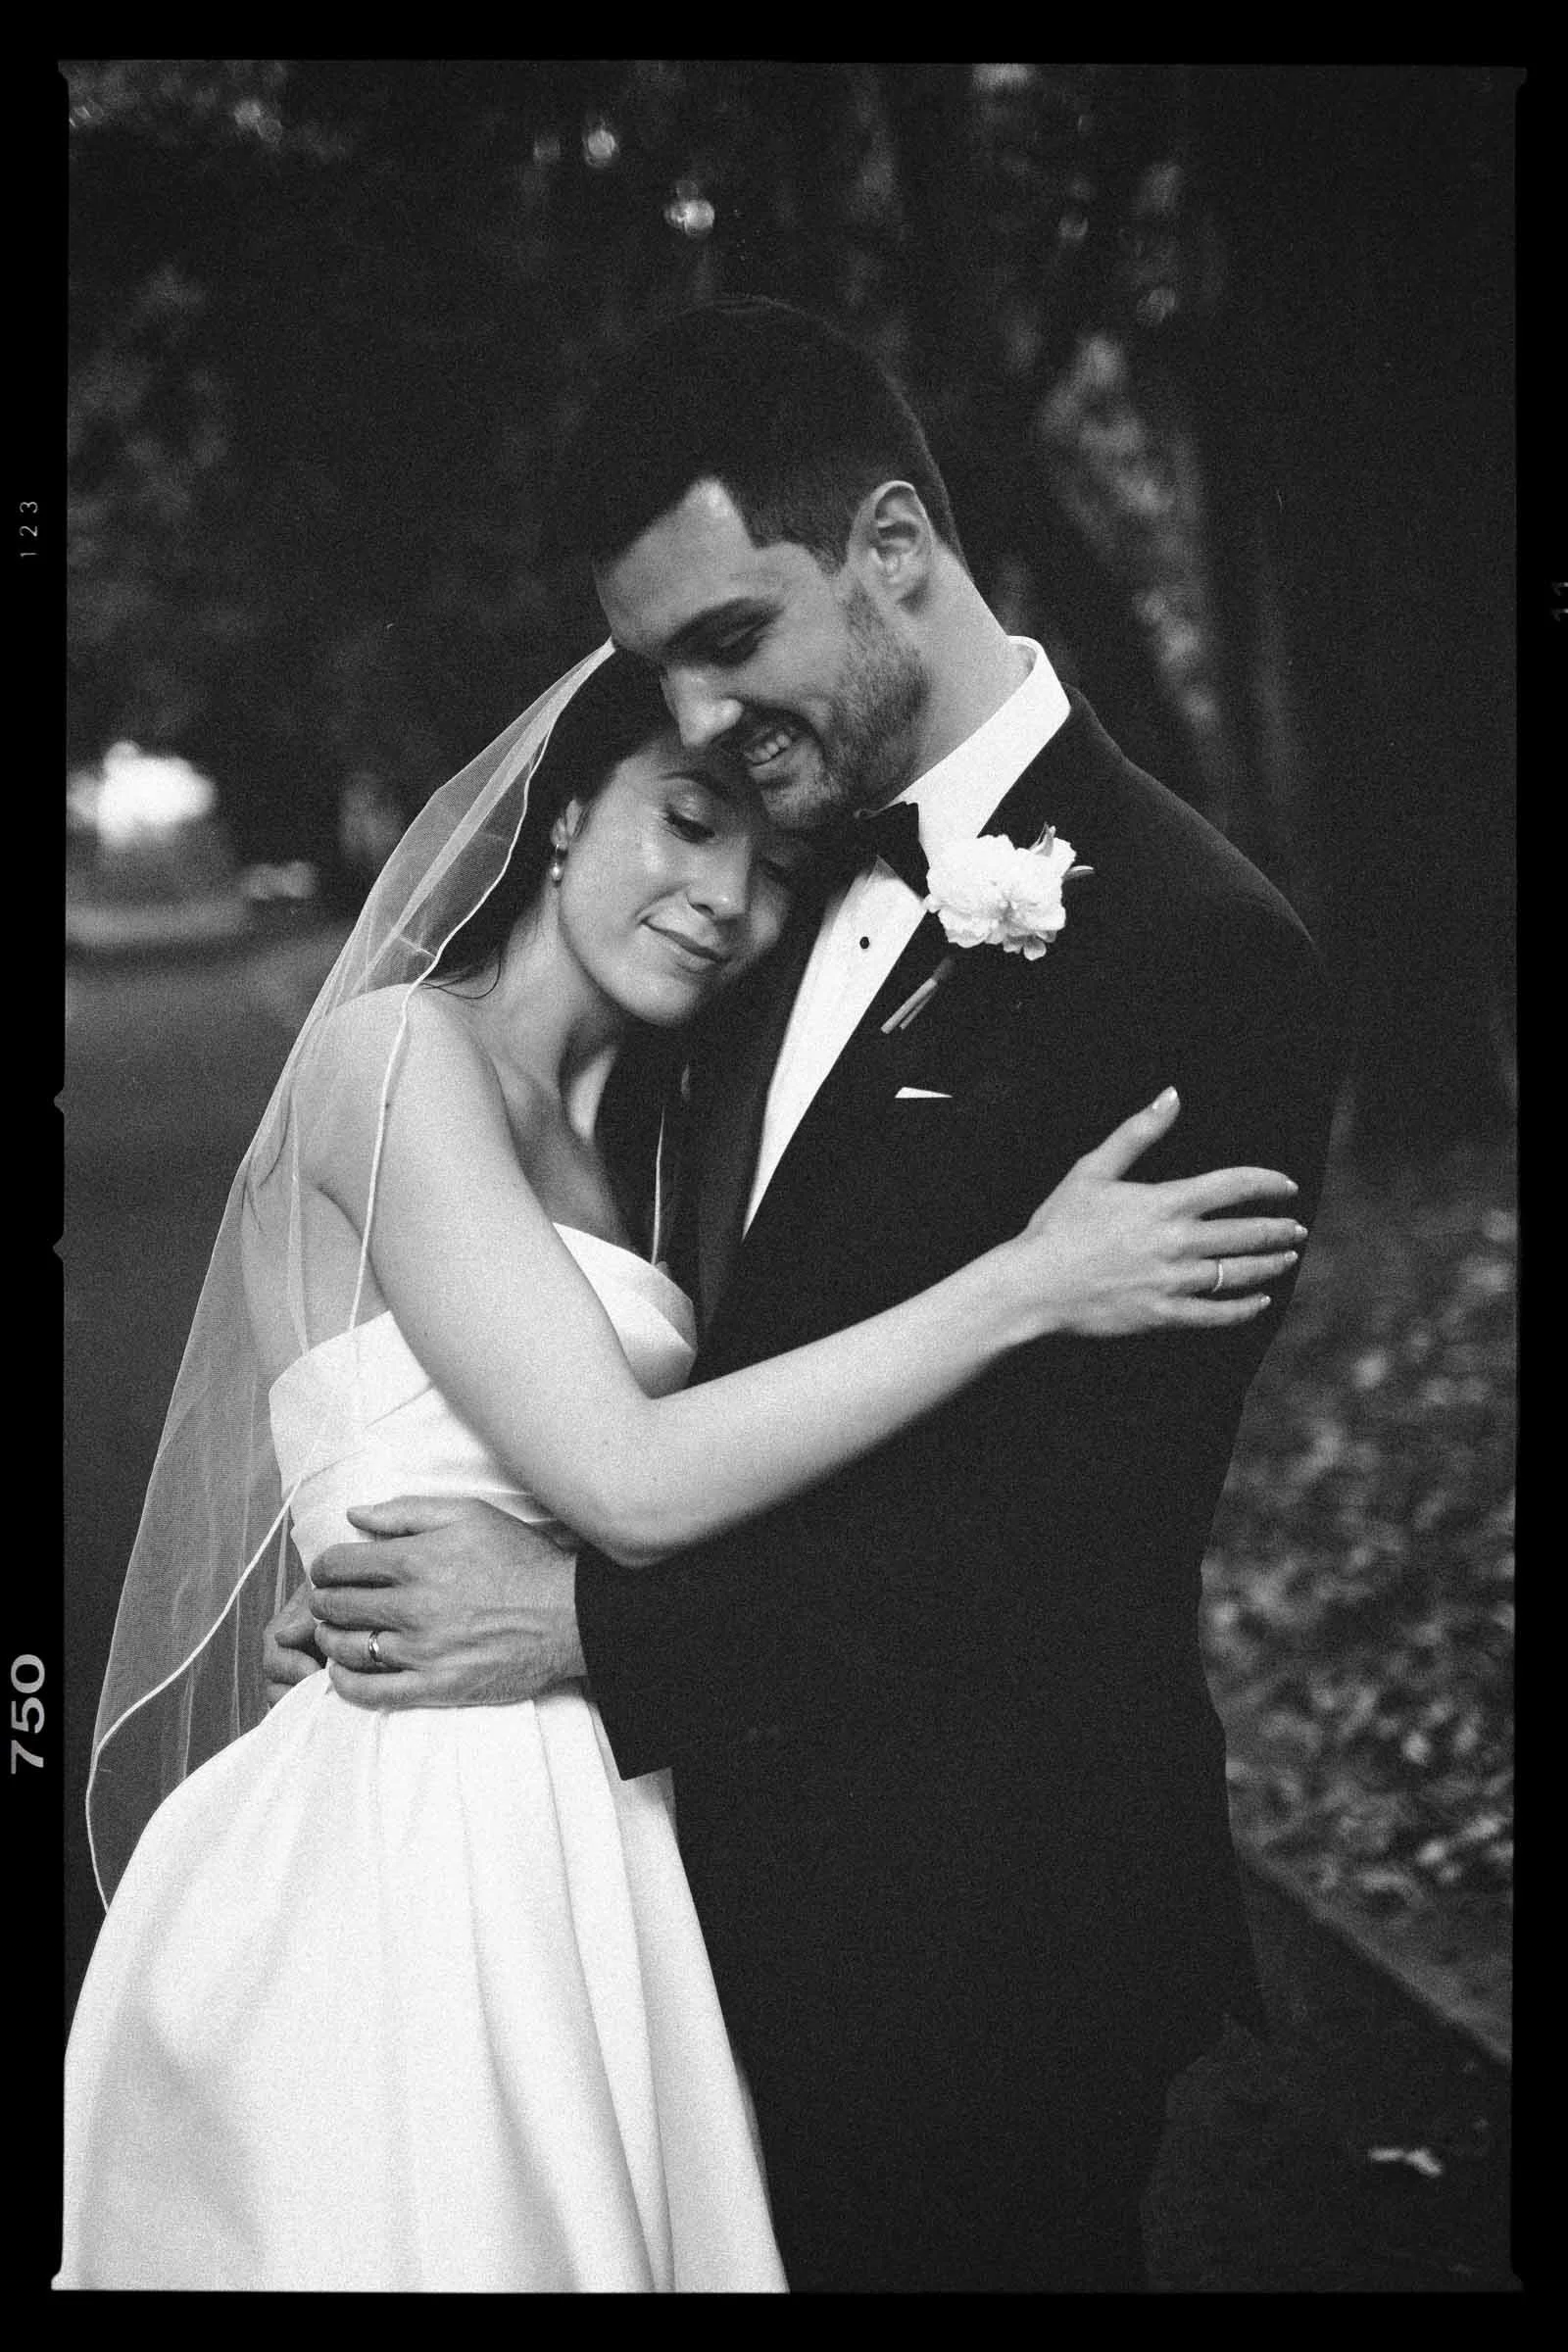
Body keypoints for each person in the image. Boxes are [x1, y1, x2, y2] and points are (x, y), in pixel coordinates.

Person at [268, 299, 1344, 2293]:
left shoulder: (1204, 958)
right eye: (655, 673)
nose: (688, 720)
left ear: (892, 553)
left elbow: (1061, 1547)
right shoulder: (752, 893)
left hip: (976, 1931)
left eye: (724, 641)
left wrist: (580, 1623)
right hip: (655, 1897)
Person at [62, 644, 1303, 2293]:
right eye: (687, 822)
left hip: (632, 1819)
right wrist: (1027, 1283)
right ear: (566, 817)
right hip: (426, 1826)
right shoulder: (389, 1062)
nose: (728, 899)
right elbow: (630, 1483)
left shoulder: (659, 1130)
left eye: (774, 868)